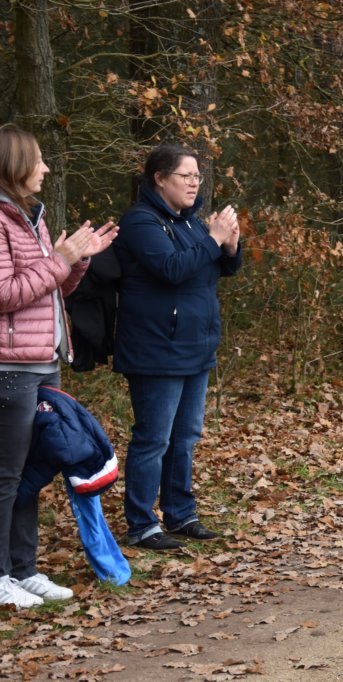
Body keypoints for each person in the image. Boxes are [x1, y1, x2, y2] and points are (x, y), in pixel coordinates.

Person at [0, 123, 118, 607]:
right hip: (10, 367)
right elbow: (6, 294)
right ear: (14, 163)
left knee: (31, 473)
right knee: (6, 475)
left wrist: (77, 261)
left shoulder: (32, 215)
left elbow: (51, 290)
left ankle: (23, 570)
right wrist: (59, 260)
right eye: (39, 160)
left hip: (44, 362)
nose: (46, 168)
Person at [115, 143, 243, 551]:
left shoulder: (189, 224)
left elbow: (216, 268)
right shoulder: (141, 222)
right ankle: (141, 524)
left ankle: (180, 513)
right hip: (156, 349)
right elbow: (172, 269)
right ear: (159, 178)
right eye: (185, 176)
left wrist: (229, 246)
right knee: (153, 439)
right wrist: (213, 238)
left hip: (195, 347)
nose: (194, 183)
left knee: (185, 437)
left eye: (197, 176)